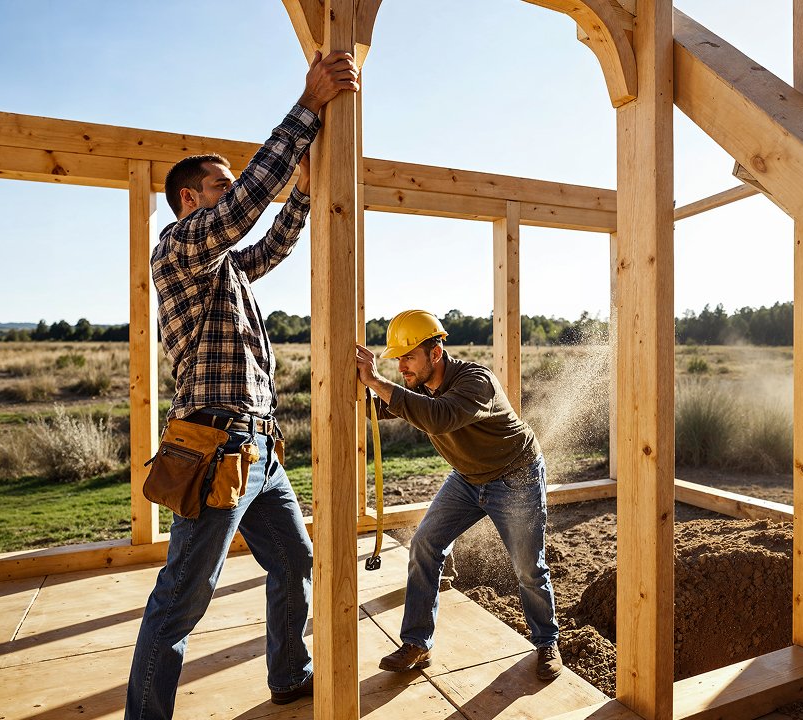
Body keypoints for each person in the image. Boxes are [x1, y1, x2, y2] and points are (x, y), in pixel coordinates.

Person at [125, 51, 359, 718]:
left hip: (259, 455)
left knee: (295, 562)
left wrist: (307, 191)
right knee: (181, 599)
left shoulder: (223, 269)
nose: (232, 193)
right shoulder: (177, 248)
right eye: (220, 186)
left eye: (231, 185)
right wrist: (308, 107)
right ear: (190, 201)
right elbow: (248, 210)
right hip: (215, 449)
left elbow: (271, 243)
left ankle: (289, 674)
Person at [354, 310, 563, 681]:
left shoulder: (476, 381)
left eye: (408, 357)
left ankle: (547, 641)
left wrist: (375, 381)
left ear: (435, 354)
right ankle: (417, 643)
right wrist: (358, 384)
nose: (402, 366)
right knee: (425, 544)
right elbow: (384, 407)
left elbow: (437, 417)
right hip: (467, 479)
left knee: (528, 567)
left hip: (515, 476)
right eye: (398, 358)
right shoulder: (419, 384)